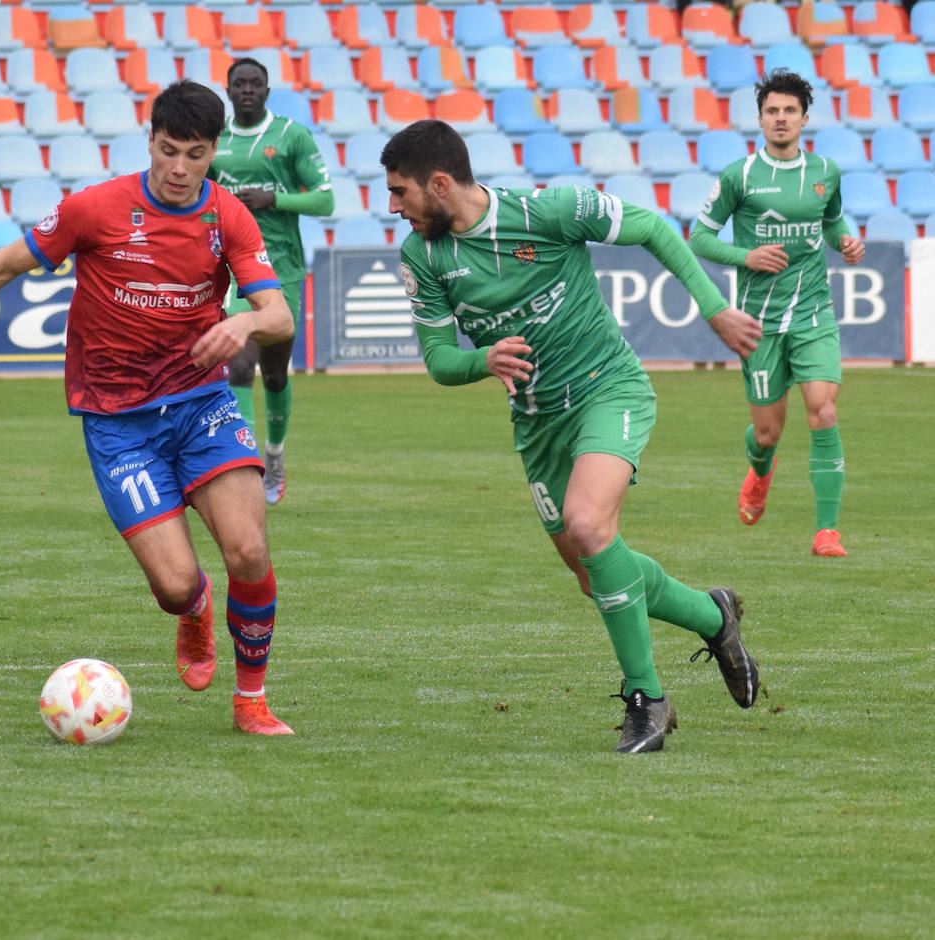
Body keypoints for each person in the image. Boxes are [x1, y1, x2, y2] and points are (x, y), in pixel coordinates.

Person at [0, 80, 296, 734]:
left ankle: (251, 701)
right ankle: (194, 612)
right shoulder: (97, 209)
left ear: (215, 151)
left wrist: (243, 324)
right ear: (150, 142)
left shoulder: (229, 218)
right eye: (168, 151)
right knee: (175, 586)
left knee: (248, 550)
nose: (181, 169)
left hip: (201, 404)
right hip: (118, 423)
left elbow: (278, 313)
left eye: (195, 154)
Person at [381, 119, 765, 753]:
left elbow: (649, 227)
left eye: (401, 192)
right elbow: (438, 361)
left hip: (605, 389)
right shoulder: (422, 258)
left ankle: (646, 698)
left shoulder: (548, 211)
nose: (394, 208)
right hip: (537, 425)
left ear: (440, 184)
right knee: (595, 575)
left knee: (591, 526)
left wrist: (713, 307)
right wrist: (484, 361)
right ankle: (712, 614)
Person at [690, 68, 865, 558]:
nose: (781, 118)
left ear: (805, 118)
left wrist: (846, 242)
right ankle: (760, 470)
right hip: (758, 321)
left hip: (813, 311)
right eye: (773, 111)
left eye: (790, 111)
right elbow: (699, 237)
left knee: (823, 409)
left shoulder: (825, 172)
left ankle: (826, 531)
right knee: (767, 432)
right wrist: (745, 256)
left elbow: (831, 223)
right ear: (760, 120)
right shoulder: (738, 176)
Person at [208, 57, 334, 505]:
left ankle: (275, 454)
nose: (247, 90)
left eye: (254, 83)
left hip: (283, 270)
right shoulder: (214, 140)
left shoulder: (291, 136)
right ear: (227, 91)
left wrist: (273, 198)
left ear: (266, 89)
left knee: (275, 374)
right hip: (235, 271)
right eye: (238, 83)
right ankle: (244, 464)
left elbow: (325, 199)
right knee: (239, 365)